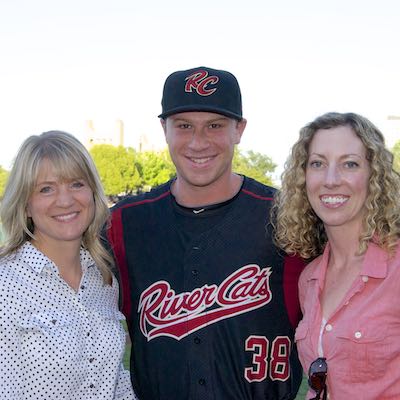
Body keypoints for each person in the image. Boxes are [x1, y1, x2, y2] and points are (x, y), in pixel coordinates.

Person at [106, 66, 305, 400]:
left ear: (239, 129)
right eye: (184, 126)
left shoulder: (289, 215)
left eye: (214, 125)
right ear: (164, 129)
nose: (198, 142)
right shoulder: (123, 224)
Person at [0, 131, 136, 400]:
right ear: (25, 205)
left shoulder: (104, 280)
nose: (65, 200)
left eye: (76, 184)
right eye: (46, 189)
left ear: (92, 193)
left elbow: (115, 381)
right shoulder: (7, 285)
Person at [273, 112, 400, 399]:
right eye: (318, 163)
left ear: (374, 175)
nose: (331, 180)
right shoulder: (309, 278)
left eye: (350, 164)